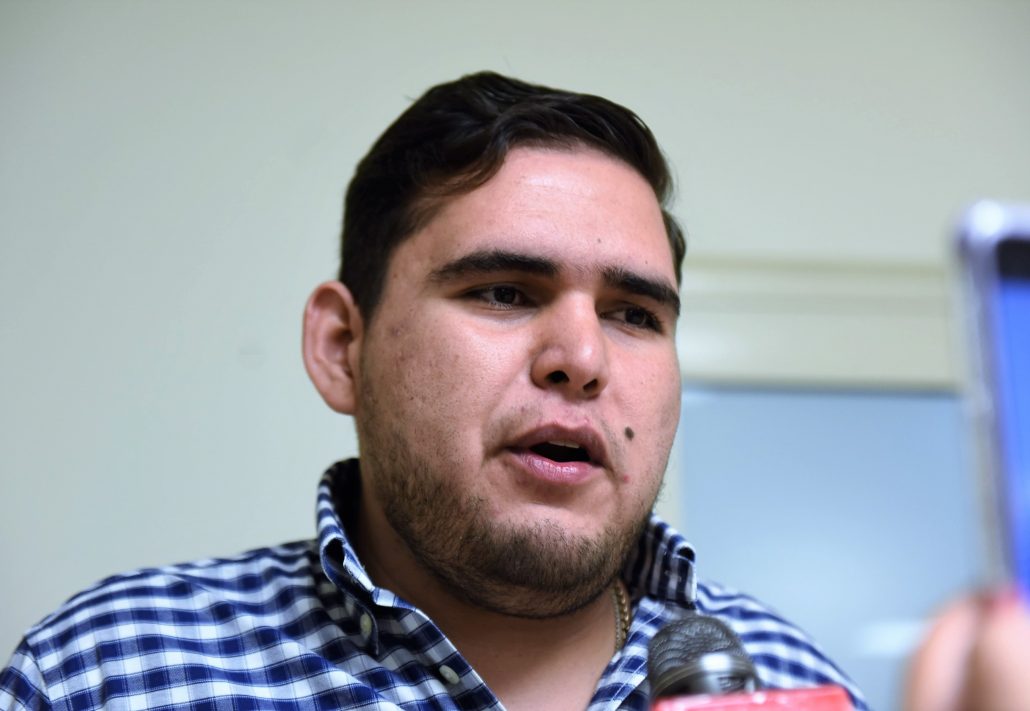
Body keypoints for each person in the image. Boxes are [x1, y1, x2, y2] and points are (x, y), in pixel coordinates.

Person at [0, 72, 867, 710]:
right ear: (343, 348)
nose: (582, 357)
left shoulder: (799, 679)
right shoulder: (98, 676)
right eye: (504, 292)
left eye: (634, 314)